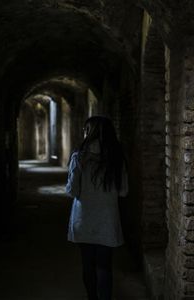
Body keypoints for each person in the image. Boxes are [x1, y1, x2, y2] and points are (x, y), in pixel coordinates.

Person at [65, 115, 128, 300]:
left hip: (83, 219)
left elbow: (72, 191)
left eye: (86, 130)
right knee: (105, 266)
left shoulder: (79, 157)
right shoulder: (117, 158)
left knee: (88, 265)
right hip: (108, 219)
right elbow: (123, 191)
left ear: (89, 132)